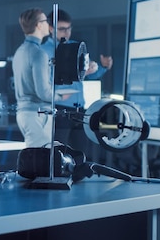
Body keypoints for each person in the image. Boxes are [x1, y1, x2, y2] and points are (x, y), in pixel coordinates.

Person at [41, 8, 113, 157]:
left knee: (82, 154)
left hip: (79, 109)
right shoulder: (43, 51)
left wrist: (102, 68)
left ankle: (79, 179)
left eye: (69, 29)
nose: (66, 33)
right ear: (50, 28)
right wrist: (77, 72)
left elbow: (88, 75)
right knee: (59, 154)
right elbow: (45, 82)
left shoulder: (75, 47)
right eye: (62, 29)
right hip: (59, 109)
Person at [12, 8, 72, 148]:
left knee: (36, 159)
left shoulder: (20, 51)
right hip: (37, 115)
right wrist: (60, 97)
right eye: (46, 21)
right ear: (39, 25)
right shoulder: (39, 54)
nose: (48, 24)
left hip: (25, 114)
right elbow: (43, 92)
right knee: (40, 161)